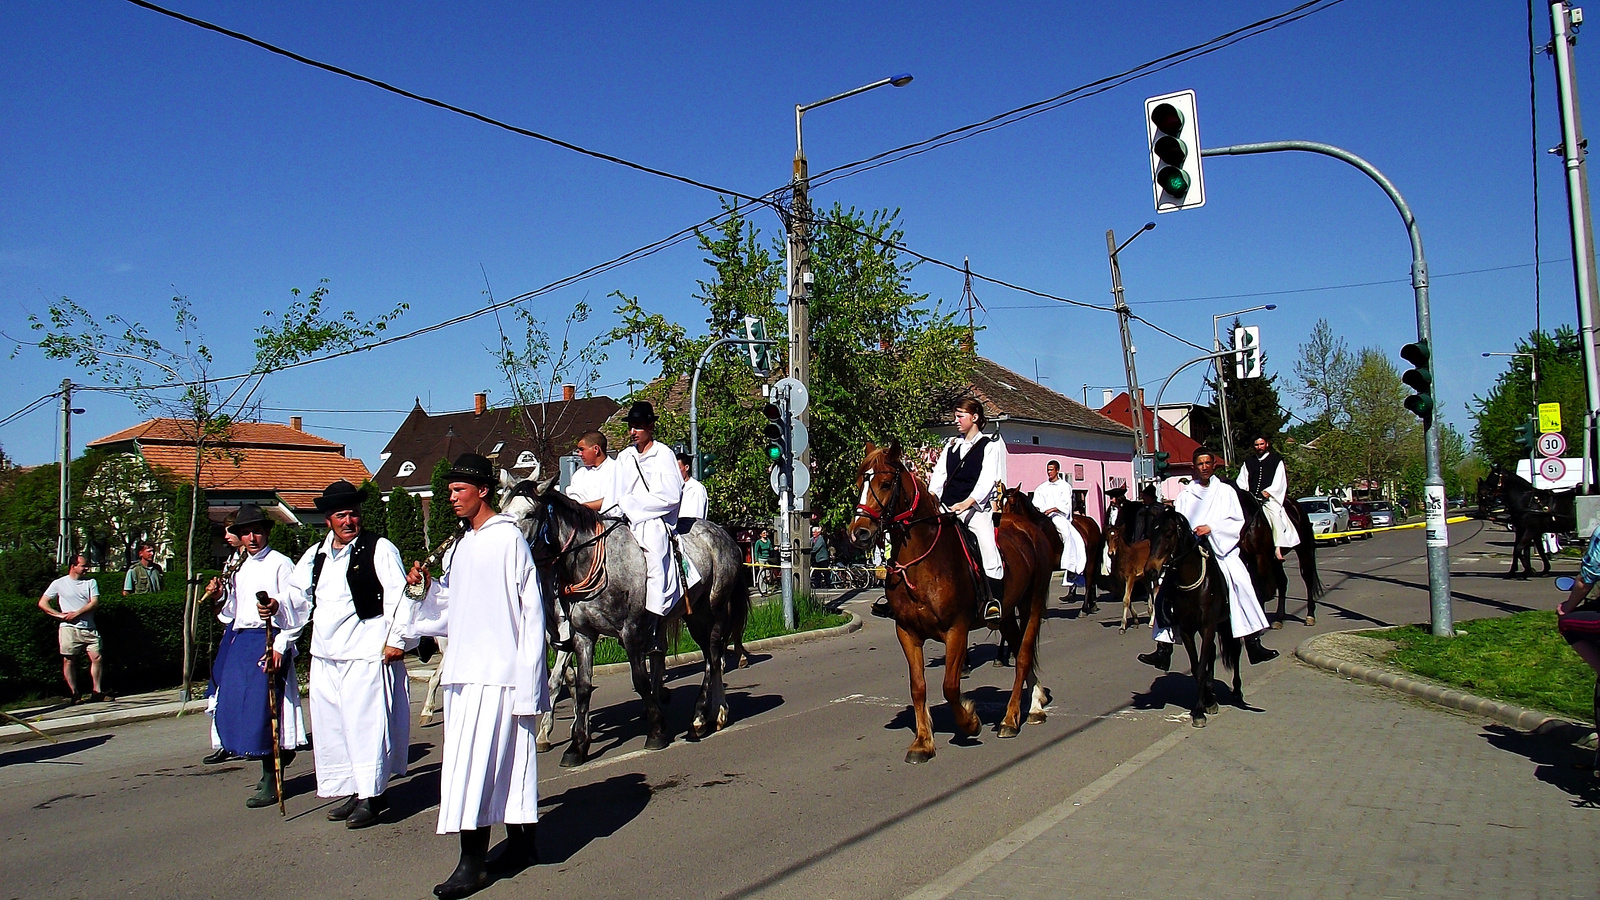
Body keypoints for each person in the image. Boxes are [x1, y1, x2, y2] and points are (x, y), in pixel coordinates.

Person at [405, 453, 549, 899]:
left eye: (457, 490)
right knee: (489, 765)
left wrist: (530, 683)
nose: (450, 498)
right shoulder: (463, 545)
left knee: (483, 768)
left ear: (482, 490)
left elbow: (531, 615)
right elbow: (452, 608)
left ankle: (473, 865)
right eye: (449, 491)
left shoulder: (508, 542)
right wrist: (427, 589)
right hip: (466, 674)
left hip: (500, 676)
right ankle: (523, 845)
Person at [292, 480, 418, 830]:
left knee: (365, 726)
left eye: (353, 514)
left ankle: (373, 796)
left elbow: (400, 595)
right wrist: (276, 607)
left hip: (366, 652)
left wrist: (397, 639)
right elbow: (298, 597)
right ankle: (354, 788)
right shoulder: (316, 555)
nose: (349, 521)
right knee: (335, 728)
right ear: (328, 520)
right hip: (327, 654)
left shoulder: (379, 549)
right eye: (341, 515)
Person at [1139, 449, 1279, 671]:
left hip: (1220, 546)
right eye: (1200, 463)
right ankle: (1163, 647)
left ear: (1213, 465)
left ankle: (1253, 641)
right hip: (1191, 549)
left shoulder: (1226, 492)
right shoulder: (1186, 495)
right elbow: (1179, 525)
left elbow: (1236, 520)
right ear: (1195, 467)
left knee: (1240, 580)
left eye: (1207, 463)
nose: (1204, 467)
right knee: (1165, 591)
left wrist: (1212, 528)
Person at [209, 504, 310, 809]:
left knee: (264, 711)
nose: (252, 538)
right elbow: (232, 612)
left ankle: (272, 775)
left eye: (257, 531)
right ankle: (271, 759)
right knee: (234, 705)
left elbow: (299, 607)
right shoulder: (240, 565)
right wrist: (219, 597)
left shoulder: (281, 564)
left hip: (268, 639)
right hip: (242, 639)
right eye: (245, 532)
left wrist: (281, 643)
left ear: (266, 532)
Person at [875, 397, 1008, 622]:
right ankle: (896, 599)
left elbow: (986, 482)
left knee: (987, 548)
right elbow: (938, 478)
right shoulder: (951, 445)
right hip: (946, 507)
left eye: (960, 416)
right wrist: (931, 500)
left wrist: (967, 504)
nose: (956, 420)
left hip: (974, 510)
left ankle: (993, 602)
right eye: (955, 416)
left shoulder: (990, 446)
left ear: (974, 417)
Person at [614, 402, 684, 639]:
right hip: (626, 518)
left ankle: (654, 623)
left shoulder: (663, 454)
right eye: (631, 427)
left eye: (638, 427)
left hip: (653, 520)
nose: (633, 432)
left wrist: (635, 505)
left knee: (655, 559)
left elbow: (672, 495)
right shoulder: (624, 457)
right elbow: (616, 493)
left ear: (650, 427)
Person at [39, 554, 109, 703]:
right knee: (68, 660)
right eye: (83, 566)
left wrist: (77, 613)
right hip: (69, 629)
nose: (86, 569)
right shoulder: (59, 583)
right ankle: (74, 693)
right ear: (73, 566)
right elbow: (43, 603)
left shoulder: (91, 582)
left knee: (97, 657)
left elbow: (94, 602)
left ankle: (97, 691)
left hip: (89, 627)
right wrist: (60, 616)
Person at [1236, 435, 1301, 560]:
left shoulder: (1276, 460)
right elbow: (1241, 480)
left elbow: (1279, 480)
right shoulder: (1248, 462)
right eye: (1256, 445)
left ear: (1267, 444)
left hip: (1269, 498)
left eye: (1261, 444)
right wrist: (1245, 493)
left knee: (1275, 516)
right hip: (1252, 499)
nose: (1259, 447)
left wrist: (1268, 492)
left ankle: (1278, 547)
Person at [1032, 460, 1087, 589]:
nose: (1049, 472)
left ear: (1057, 470)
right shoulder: (1042, 487)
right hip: (1043, 516)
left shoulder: (1065, 486)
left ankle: (1069, 565)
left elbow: (1065, 505)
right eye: (1048, 469)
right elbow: (1036, 502)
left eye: (1051, 469)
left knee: (1066, 534)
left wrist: (1053, 509)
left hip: (1058, 516)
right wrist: (1041, 510)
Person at [566, 431, 621, 516]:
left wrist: (583, 507)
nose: (579, 454)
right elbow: (573, 503)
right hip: (584, 524)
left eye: (582, 449)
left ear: (596, 449)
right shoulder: (579, 474)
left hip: (613, 523)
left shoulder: (617, 470)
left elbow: (616, 500)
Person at [676, 451, 708, 526]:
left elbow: (696, 520)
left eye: (678, 468)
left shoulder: (696, 489)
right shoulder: (673, 488)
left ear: (686, 467)